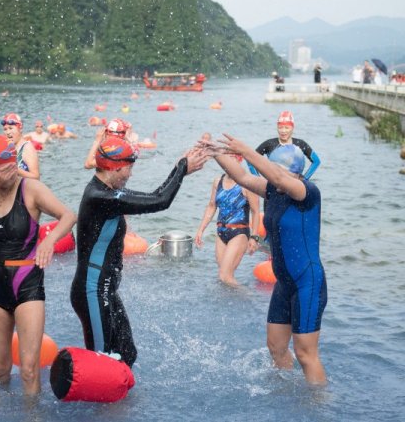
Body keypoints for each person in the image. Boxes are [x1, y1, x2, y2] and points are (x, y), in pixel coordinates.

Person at [71, 131, 211, 368]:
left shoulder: (107, 192)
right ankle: (98, 404)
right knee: (103, 362)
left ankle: (117, 402)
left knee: (127, 354)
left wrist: (179, 166)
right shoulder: (100, 197)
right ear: (115, 168)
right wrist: (182, 170)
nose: (130, 174)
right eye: (128, 169)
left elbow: (156, 196)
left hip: (105, 290)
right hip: (92, 290)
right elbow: (160, 201)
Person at [204, 134, 327, 386]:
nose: (270, 179)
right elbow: (243, 177)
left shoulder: (306, 192)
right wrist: (213, 151)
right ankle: (287, 393)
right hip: (284, 283)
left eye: (275, 171)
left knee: (305, 353)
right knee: (276, 347)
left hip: (307, 282)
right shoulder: (275, 190)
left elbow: (278, 177)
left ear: (293, 173)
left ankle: (320, 405)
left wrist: (247, 149)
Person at [0, 135, 76, 395]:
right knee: (0, 369)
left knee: (29, 369)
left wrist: (50, 242)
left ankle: (32, 415)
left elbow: (68, 215)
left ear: (15, 164)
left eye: (9, 168)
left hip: (27, 281)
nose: (5, 175)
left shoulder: (31, 188)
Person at [194, 148, 260, 287]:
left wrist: (254, 237)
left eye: (232, 158)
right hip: (221, 233)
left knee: (225, 276)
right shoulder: (218, 181)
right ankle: (229, 305)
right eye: (226, 158)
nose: (228, 161)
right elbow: (212, 206)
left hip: (239, 233)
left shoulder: (246, 183)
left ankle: (249, 299)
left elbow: (255, 211)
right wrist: (200, 230)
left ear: (239, 159)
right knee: (223, 277)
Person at [248, 111, 320, 180]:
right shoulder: (269, 144)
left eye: (286, 128)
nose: (283, 131)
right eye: (280, 127)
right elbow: (250, 159)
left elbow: (316, 161)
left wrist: (305, 179)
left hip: (294, 185)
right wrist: (259, 179)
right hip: (274, 184)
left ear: (292, 128)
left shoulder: (300, 144)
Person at [1, 113, 40, 179]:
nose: (8, 132)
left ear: (20, 129)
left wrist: (15, 169)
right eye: (5, 129)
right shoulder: (9, 148)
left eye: (10, 128)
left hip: (26, 188)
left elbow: (36, 177)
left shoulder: (27, 148)